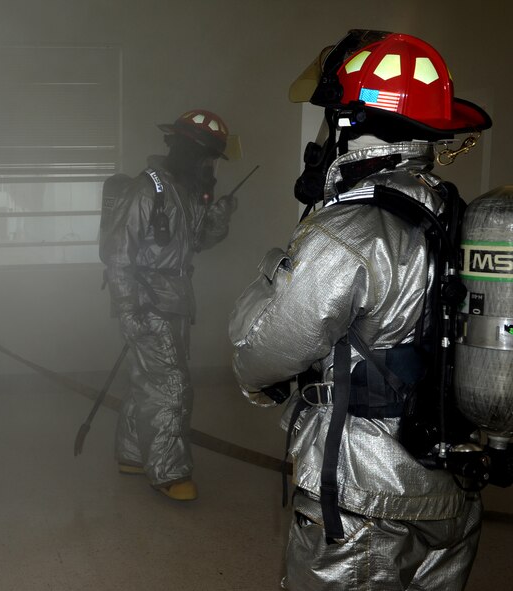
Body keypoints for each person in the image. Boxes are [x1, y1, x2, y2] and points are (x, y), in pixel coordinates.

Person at [228, 31, 492, 590]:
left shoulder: (350, 228)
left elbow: (266, 351)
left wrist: (274, 269)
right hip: (453, 490)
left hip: (363, 496)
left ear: (349, 123)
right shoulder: (459, 216)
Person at [99, 109, 238, 500]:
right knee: (172, 387)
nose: (208, 164)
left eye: (212, 158)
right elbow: (117, 255)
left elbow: (197, 243)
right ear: (180, 148)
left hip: (175, 301)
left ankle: (132, 454)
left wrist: (220, 215)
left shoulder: (186, 190)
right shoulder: (147, 190)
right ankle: (169, 471)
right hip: (146, 303)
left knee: (148, 380)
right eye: (204, 156)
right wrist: (129, 309)